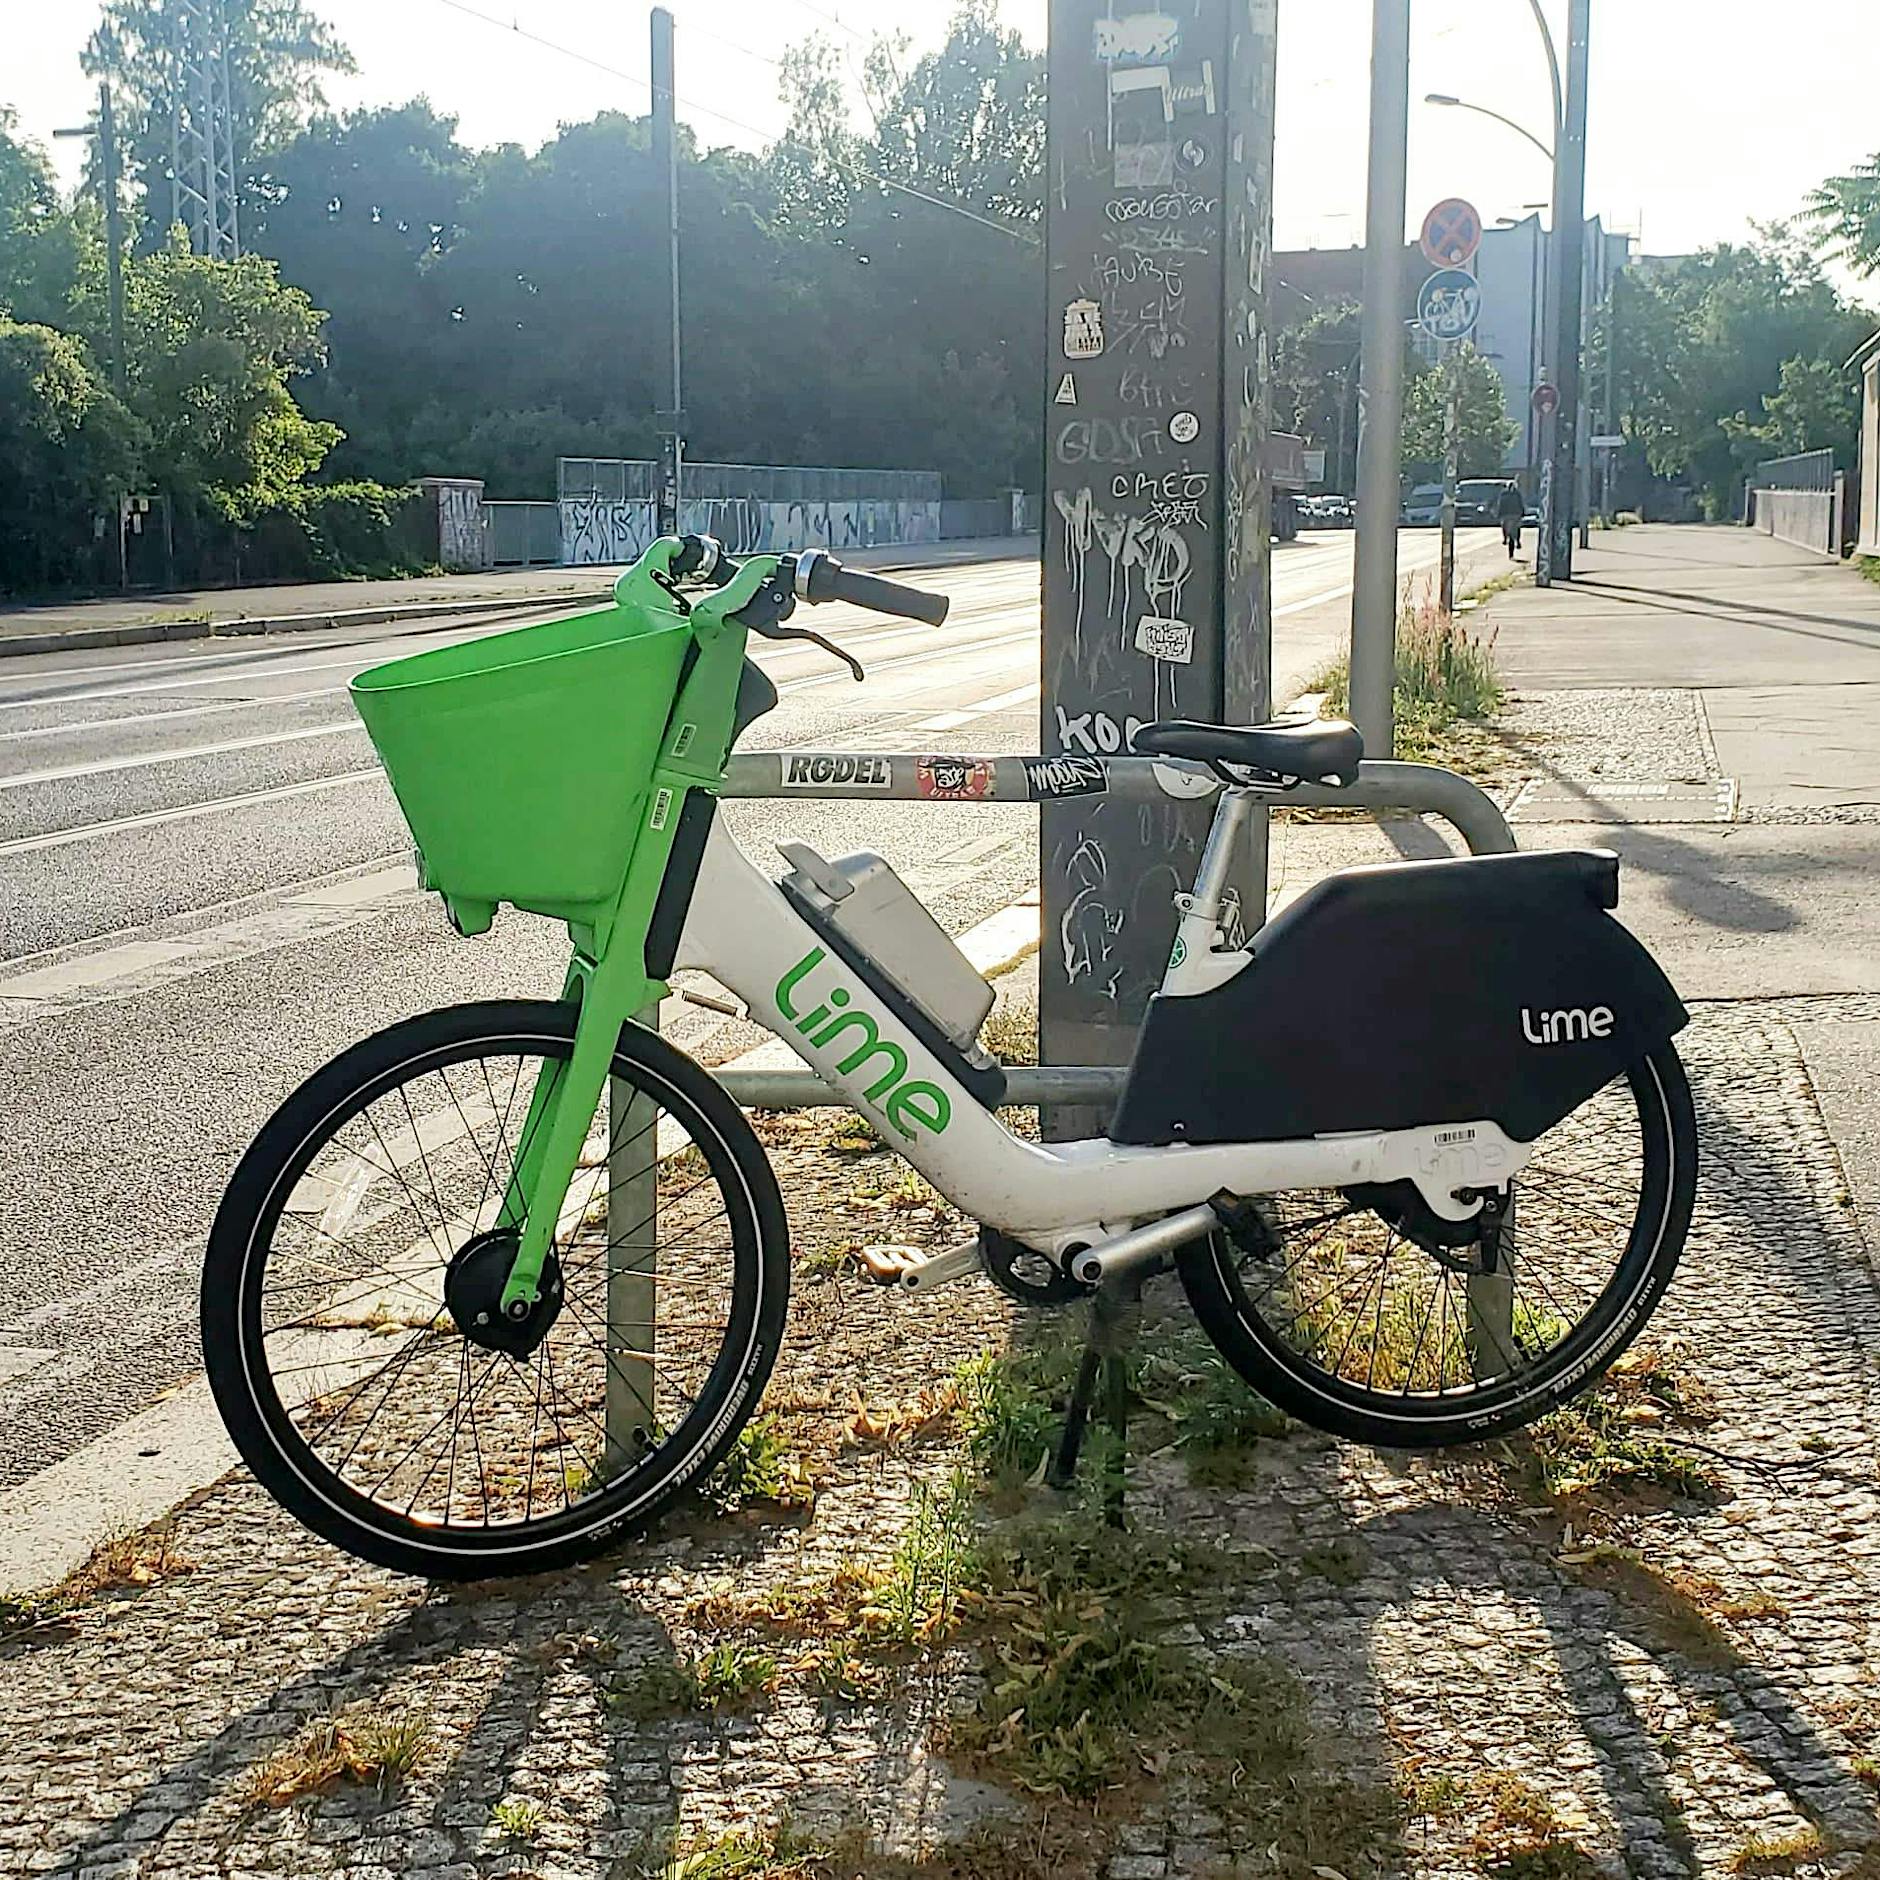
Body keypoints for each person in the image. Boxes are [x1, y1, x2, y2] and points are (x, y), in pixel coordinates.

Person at [1496, 481, 1526, 558]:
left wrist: (1499, 513)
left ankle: (1506, 538)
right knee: (1516, 528)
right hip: (1514, 514)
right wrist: (1522, 512)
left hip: (1508, 514)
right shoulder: (1517, 494)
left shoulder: (1504, 494)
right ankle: (1516, 541)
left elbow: (1500, 504)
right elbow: (1521, 504)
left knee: (1506, 528)